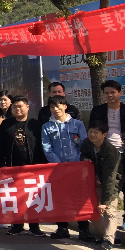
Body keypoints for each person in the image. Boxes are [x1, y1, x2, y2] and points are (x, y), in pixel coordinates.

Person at [0, 96, 49, 236]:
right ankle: (17, 225)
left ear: (27, 107)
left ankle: (34, 226)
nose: (17, 109)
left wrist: (42, 165)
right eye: (14, 107)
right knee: (16, 197)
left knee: (33, 197)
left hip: (33, 167)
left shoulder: (35, 125)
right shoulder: (6, 125)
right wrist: (1, 165)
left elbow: (41, 147)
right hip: (13, 167)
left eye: (20, 106)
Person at [41, 95, 89, 240]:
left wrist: (77, 162)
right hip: (58, 169)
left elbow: (84, 144)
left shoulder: (77, 124)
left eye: (58, 106)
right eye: (52, 107)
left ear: (65, 106)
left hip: (76, 167)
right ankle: (62, 228)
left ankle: (84, 229)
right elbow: (47, 148)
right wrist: (59, 165)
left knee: (79, 198)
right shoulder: (47, 127)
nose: (56, 109)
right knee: (60, 198)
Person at [89, 80, 125, 232]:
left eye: (113, 92)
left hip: (124, 153)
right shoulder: (98, 111)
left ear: (120, 93)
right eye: (107, 93)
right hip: (105, 155)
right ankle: (106, 222)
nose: (110, 95)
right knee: (106, 187)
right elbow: (93, 131)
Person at [83, 118, 123, 250]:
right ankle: (109, 235)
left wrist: (105, 202)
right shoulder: (87, 144)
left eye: (96, 132)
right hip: (92, 182)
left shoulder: (111, 152)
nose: (92, 134)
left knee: (109, 211)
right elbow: (83, 155)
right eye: (91, 131)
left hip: (111, 183)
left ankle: (108, 240)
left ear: (104, 134)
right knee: (92, 212)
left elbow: (110, 179)